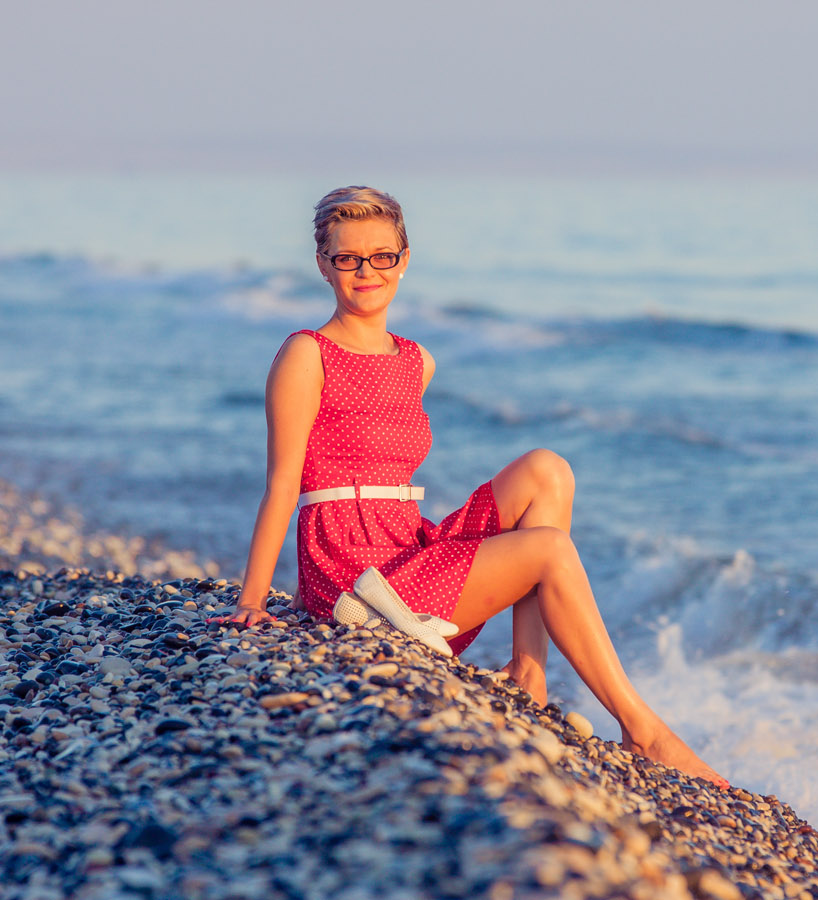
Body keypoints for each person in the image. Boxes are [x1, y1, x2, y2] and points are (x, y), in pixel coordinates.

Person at [210, 186, 726, 788]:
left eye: (382, 255)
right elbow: (281, 486)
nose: (367, 271)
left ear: (404, 258)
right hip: (357, 582)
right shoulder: (306, 354)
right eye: (348, 258)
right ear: (324, 265)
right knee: (550, 551)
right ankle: (644, 729)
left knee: (546, 470)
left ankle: (528, 671)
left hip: (409, 553)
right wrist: (253, 601)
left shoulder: (416, 360)